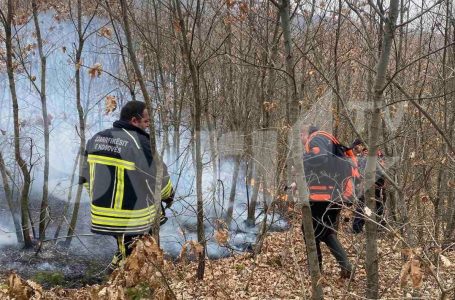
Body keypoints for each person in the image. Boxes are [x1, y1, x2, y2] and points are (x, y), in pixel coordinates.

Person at [79, 101, 174, 269]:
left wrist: (99, 200)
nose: (148, 124)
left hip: (101, 214)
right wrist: (169, 195)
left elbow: (85, 178)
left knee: (126, 248)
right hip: (132, 218)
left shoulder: (96, 139)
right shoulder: (139, 141)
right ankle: (123, 280)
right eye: (146, 121)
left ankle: (117, 273)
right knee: (137, 254)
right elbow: (159, 178)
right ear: (134, 120)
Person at [300, 125, 355, 278]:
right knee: (326, 231)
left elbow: (320, 157)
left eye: (301, 135)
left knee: (308, 229)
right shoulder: (327, 140)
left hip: (322, 196)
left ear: (306, 133)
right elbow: (322, 169)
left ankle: (315, 271)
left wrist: (301, 161)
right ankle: (346, 266)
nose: (301, 139)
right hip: (335, 195)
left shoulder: (315, 139)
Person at [351, 145, 386, 233]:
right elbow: (360, 174)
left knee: (378, 208)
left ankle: (379, 228)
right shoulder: (363, 159)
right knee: (363, 207)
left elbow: (383, 174)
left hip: (379, 189)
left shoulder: (380, 157)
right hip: (366, 188)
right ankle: (357, 229)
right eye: (365, 151)